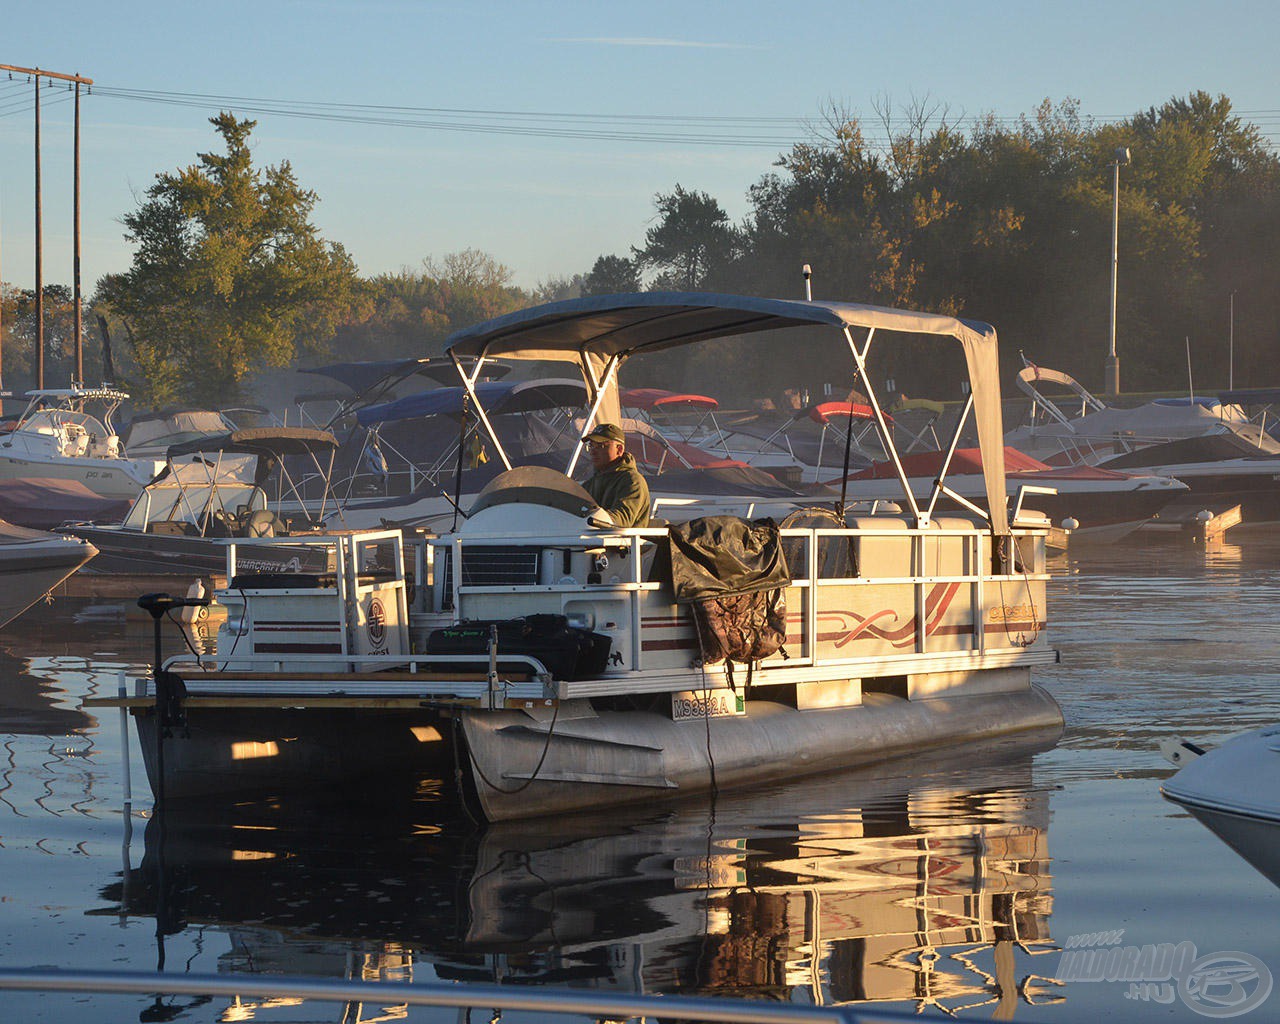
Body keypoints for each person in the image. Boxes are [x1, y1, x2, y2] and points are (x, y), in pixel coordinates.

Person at [580, 422, 651, 528]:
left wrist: (591, 519)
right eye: (591, 446)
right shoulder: (589, 484)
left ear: (619, 449)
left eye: (600, 446)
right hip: (587, 542)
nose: (593, 452)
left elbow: (622, 519)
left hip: (621, 544)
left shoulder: (633, 481)